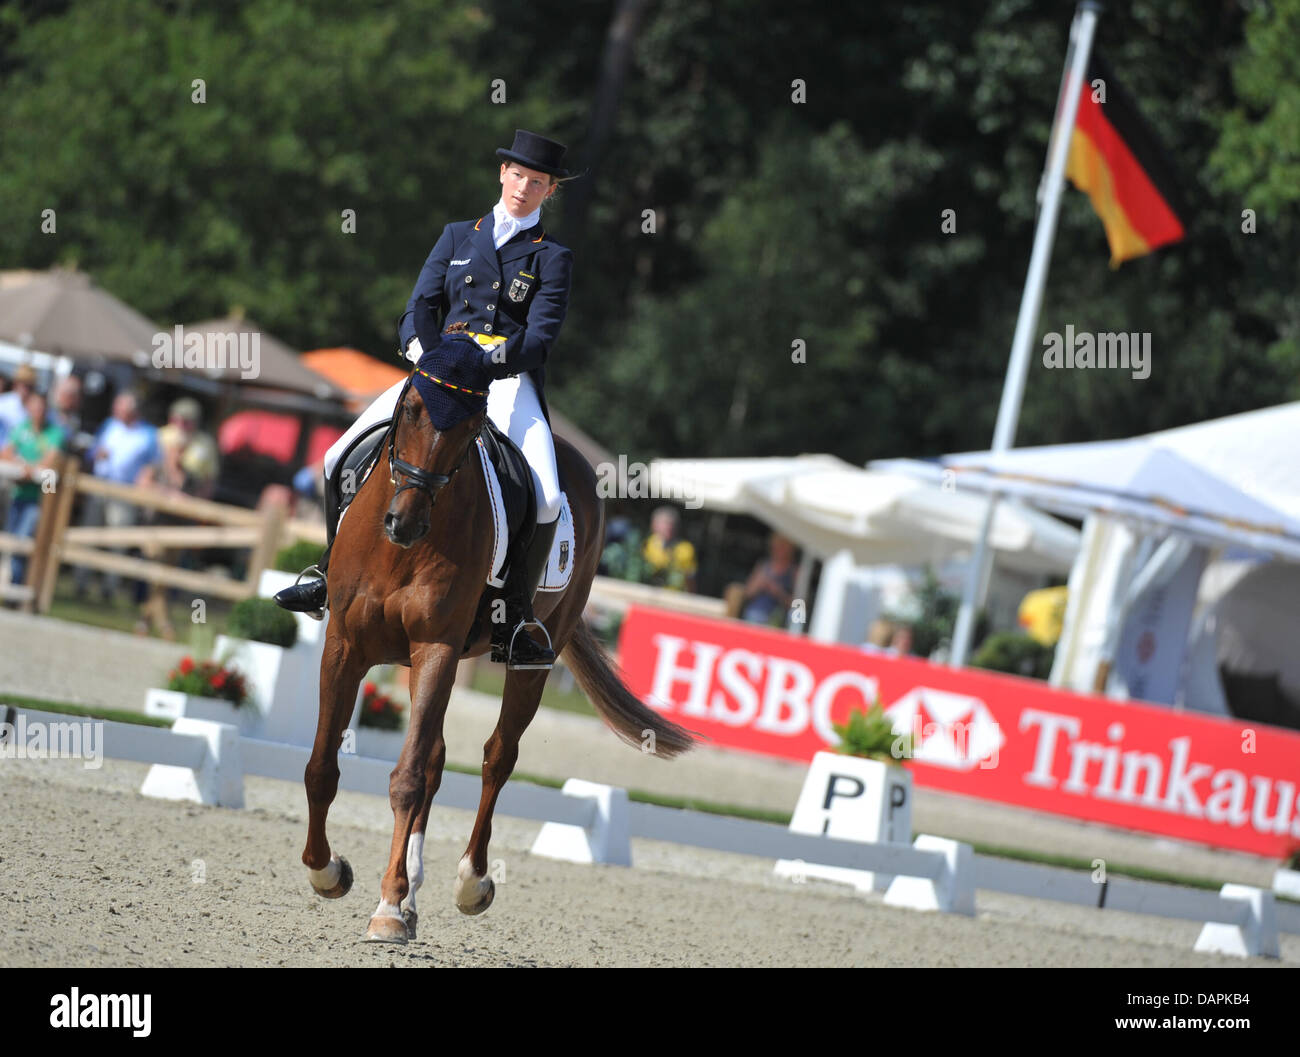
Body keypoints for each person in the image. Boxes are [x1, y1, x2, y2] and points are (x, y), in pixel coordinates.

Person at [277, 130, 575, 670]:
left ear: (549, 191)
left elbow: (540, 338)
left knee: (549, 496)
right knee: (335, 455)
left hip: (505, 380)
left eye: (538, 183)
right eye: (518, 176)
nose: (524, 188)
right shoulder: (459, 235)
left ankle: (515, 615)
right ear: (501, 174)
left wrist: (486, 364)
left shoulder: (551, 257)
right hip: (436, 367)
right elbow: (419, 306)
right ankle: (326, 573)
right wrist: (430, 356)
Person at [76, 392, 159, 602]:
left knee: (117, 542)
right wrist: (96, 454)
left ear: (133, 411)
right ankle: (80, 583)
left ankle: (108, 588)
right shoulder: (109, 425)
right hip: (99, 485)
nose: (116, 412)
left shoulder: (148, 434)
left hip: (124, 493)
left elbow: (152, 466)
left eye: (121, 408)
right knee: (87, 536)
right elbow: (91, 452)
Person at [0, 390, 65, 585]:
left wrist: (28, 468)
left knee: (25, 539)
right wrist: (24, 466)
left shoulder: (55, 432)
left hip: (41, 497)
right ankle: (7, 585)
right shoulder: (22, 428)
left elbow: (50, 462)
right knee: (11, 538)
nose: (38, 410)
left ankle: (15, 588)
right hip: (18, 492)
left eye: (42, 407)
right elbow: (5, 453)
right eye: (35, 406)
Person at [741, 532, 797, 626]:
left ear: (790, 549)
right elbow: (747, 593)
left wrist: (778, 592)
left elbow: (799, 605)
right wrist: (760, 584)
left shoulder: (794, 571)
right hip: (755, 614)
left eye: (783, 547)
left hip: (779, 618)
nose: (779, 550)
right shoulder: (763, 565)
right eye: (777, 546)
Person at [641, 506, 697, 592]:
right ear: (654, 525)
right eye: (664, 523)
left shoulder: (686, 549)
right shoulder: (646, 544)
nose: (668, 527)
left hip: (674, 596)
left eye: (671, 524)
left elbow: (690, 578)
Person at [0, 363, 38, 450]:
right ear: (16, 384)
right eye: (23, 384)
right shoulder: (3, 403)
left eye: (29, 386)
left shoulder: (37, 407)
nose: (26, 389)